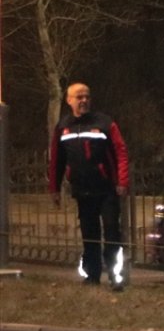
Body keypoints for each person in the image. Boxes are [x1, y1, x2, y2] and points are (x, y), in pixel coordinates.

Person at [48, 82, 131, 290]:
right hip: (82, 190)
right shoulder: (63, 127)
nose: (84, 100)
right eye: (79, 97)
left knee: (112, 232)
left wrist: (122, 181)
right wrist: (54, 188)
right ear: (69, 100)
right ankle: (92, 275)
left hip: (107, 189)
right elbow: (57, 160)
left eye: (87, 96)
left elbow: (121, 152)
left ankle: (115, 276)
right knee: (89, 234)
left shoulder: (104, 122)